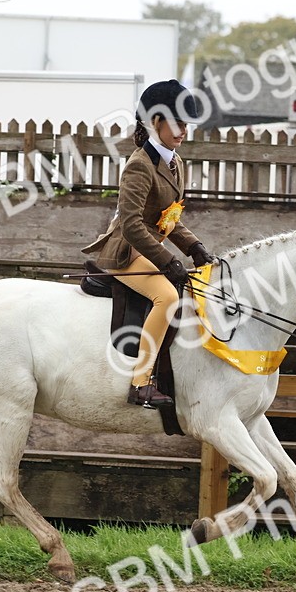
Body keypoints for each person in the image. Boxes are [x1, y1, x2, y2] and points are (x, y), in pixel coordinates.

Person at [83, 79, 214, 409]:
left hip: (149, 246)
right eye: (177, 124)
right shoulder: (139, 165)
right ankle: (140, 383)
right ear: (155, 123)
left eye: (186, 124)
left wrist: (193, 246)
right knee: (167, 296)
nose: (183, 131)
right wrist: (165, 259)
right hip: (126, 250)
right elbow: (131, 225)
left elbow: (168, 217)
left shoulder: (175, 161)